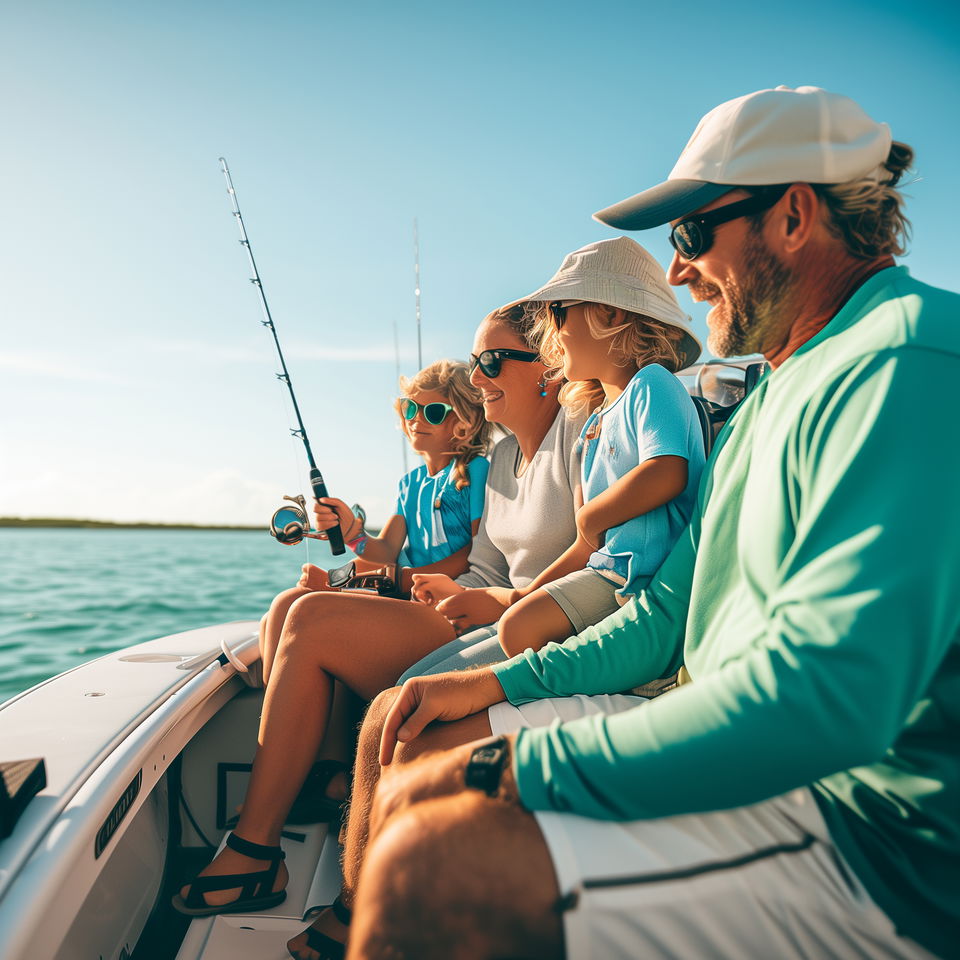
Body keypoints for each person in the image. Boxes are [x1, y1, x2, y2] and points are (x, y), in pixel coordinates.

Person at [342, 86, 959, 960]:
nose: (677, 271)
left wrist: (516, 767)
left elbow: (827, 704)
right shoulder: (774, 394)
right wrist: (494, 688)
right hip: (765, 760)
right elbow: (669, 614)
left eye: (692, 234)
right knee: (412, 729)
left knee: (429, 865)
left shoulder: (905, 364)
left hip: (873, 847)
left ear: (792, 216)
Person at [172, 303, 592, 931]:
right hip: (463, 607)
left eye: (491, 362)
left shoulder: (575, 440)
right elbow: (476, 565)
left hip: (510, 626)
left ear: (547, 368)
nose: (479, 378)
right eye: (476, 365)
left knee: (311, 619)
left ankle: (257, 848)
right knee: (297, 604)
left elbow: (590, 561)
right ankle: (306, 782)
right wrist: (400, 571)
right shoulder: (505, 461)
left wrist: (453, 593)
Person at [492, 239, 705, 658]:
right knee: (516, 622)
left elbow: (667, 471)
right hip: (608, 575)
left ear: (609, 313)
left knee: (518, 632)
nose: (549, 331)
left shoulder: (652, 383)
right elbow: (587, 546)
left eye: (557, 311)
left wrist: (590, 516)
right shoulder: (593, 425)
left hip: (644, 582)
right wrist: (525, 595)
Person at [259, 358, 491, 681]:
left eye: (433, 412)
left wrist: (401, 577)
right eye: (411, 409)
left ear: (465, 422)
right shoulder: (409, 485)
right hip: (405, 588)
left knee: (303, 604)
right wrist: (352, 531)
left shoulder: (477, 472)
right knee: (283, 605)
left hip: (437, 599)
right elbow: (385, 550)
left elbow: (477, 555)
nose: (415, 420)